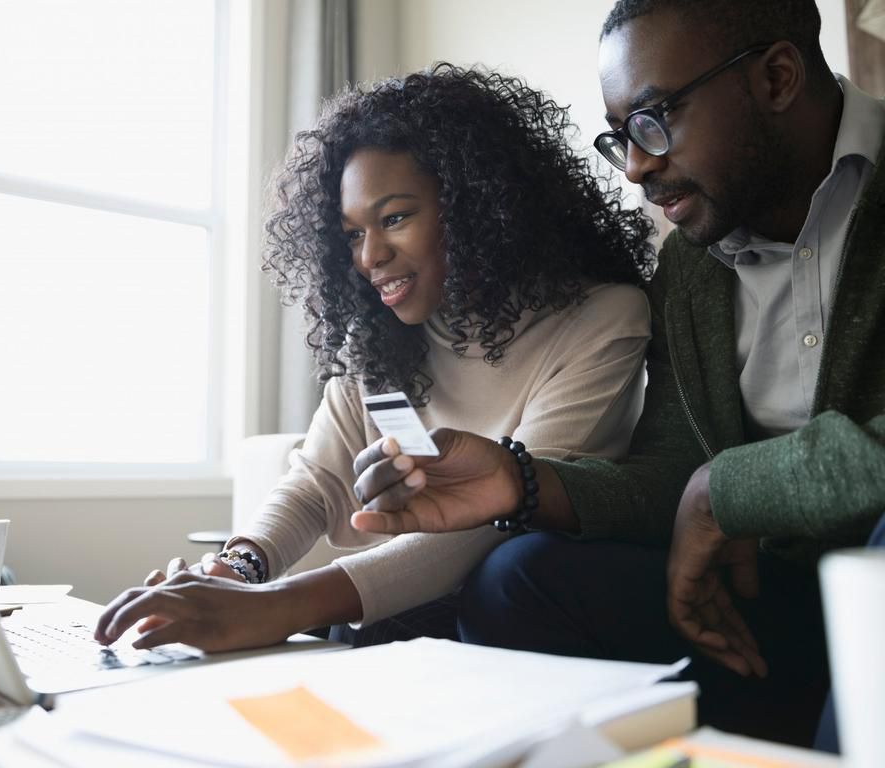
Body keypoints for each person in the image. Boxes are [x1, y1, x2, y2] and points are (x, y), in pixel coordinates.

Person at [349, 0, 885, 749]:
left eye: (654, 119)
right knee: (517, 577)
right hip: (766, 614)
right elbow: (672, 469)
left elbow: (707, 489)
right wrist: (521, 481)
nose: (636, 166)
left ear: (776, 78)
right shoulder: (692, 266)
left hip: (871, 587)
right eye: (621, 137)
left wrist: (727, 487)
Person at [94, 63, 654, 653]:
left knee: (364, 618)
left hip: (526, 602)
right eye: (353, 234)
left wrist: (277, 605)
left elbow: (498, 516)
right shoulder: (381, 343)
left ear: (479, 206)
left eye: (394, 218)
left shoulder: (602, 320)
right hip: (417, 600)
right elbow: (316, 484)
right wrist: (237, 570)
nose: (370, 257)